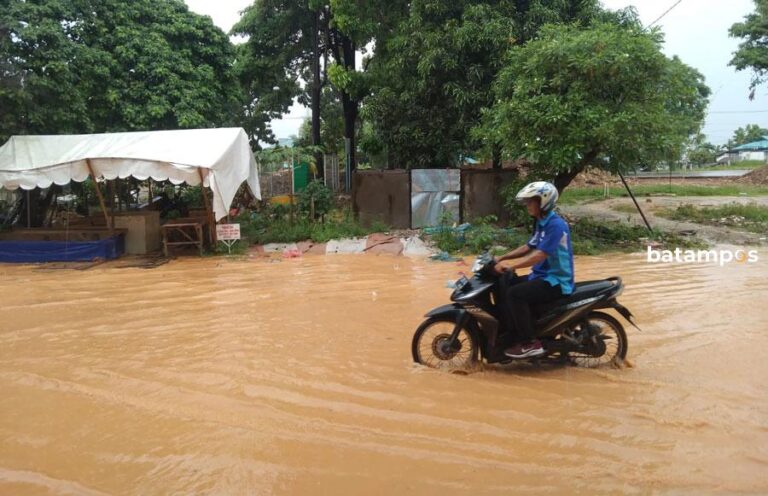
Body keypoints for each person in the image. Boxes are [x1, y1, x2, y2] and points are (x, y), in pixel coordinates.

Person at [494, 181, 574, 359]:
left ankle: (530, 343)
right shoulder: (542, 222)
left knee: (515, 294)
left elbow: (540, 254)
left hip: (556, 281)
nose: (528, 205)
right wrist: (502, 258)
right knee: (508, 284)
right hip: (542, 276)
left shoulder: (556, 225)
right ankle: (513, 333)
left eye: (531, 201)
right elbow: (529, 246)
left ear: (543, 202)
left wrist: (512, 265)